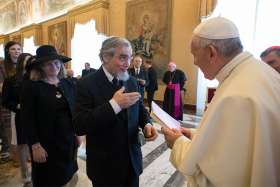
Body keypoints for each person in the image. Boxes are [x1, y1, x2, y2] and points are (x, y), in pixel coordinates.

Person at [161, 17, 280, 187]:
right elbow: (237, 145)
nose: (194, 62)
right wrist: (196, 135)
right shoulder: (259, 72)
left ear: (211, 52)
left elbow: (216, 179)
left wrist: (178, 143)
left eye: (194, 55)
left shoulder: (236, 96)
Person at [74, 36, 158, 187]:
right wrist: (114, 105)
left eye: (130, 58)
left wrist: (147, 123)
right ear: (105, 57)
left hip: (132, 162)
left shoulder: (131, 81)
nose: (128, 64)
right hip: (105, 167)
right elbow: (80, 124)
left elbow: (138, 107)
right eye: (123, 58)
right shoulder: (86, 84)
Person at [21, 45, 78, 187]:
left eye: (56, 62)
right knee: (48, 179)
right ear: (40, 67)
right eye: (48, 64)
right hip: (45, 144)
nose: (54, 67)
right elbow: (27, 119)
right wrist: (35, 146)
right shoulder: (32, 87)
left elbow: (74, 110)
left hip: (68, 140)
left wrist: (78, 132)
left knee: (67, 175)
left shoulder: (67, 83)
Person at [2, 53, 35, 186]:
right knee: (22, 145)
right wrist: (17, 106)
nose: (30, 63)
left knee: (35, 144)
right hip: (19, 116)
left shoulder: (36, 78)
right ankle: (25, 175)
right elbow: (5, 101)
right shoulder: (11, 80)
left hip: (36, 116)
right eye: (27, 61)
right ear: (21, 62)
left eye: (32, 61)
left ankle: (37, 173)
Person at [0, 41, 22, 162]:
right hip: (7, 103)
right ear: (8, 51)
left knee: (22, 131)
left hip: (21, 103)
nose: (17, 51)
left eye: (19, 49)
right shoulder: (2, 66)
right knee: (10, 132)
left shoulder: (22, 64)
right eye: (13, 49)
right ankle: (15, 157)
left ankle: (23, 156)